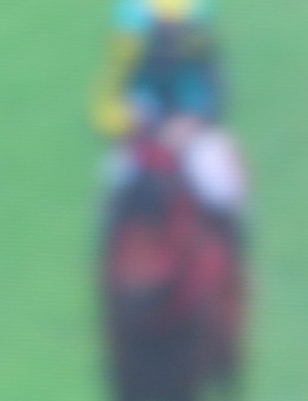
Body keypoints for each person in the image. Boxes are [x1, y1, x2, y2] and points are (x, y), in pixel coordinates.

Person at [97, 0, 244, 236]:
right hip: (143, 134)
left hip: (195, 131)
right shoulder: (130, 50)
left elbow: (216, 93)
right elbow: (107, 107)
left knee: (223, 185)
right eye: (164, 26)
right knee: (116, 183)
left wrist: (195, 122)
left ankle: (232, 252)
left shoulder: (200, 49)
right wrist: (137, 124)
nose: (171, 34)